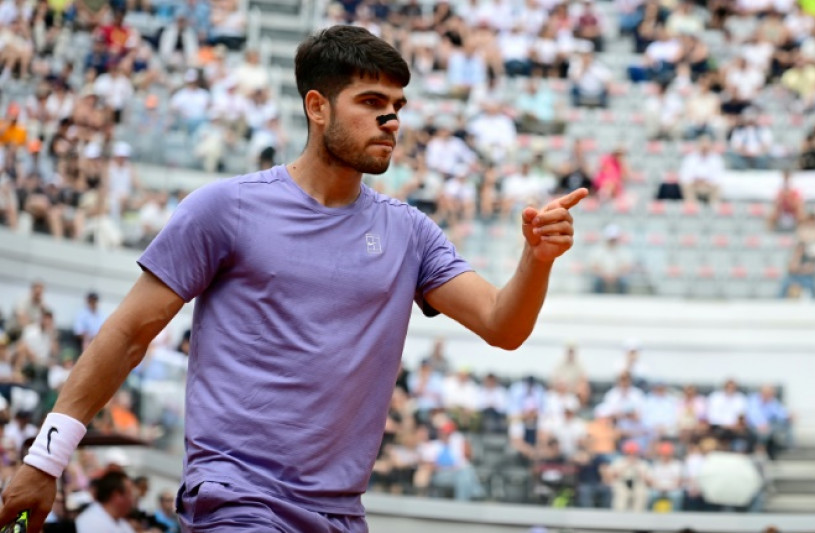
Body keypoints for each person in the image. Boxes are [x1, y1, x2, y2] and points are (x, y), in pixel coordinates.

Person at [0, 26, 588, 533]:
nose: (391, 118)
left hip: (339, 513)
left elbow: (502, 326)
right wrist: (46, 460)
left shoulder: (411, 233)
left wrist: (536, 259)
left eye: (398, 105)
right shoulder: (224, 208)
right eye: (371, 100)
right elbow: (129, 333)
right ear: (318, 107)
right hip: (237, 500)